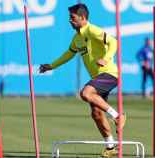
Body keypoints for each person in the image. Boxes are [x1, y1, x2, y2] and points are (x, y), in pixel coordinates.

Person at [39, 3, 126, 157]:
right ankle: (111, 146)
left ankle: (118, 116)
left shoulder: (92, 30)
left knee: (85, 93)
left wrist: (106, 58)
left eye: (72, 18)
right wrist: (51, 66)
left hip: (110, 74)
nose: (70, 21)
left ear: (83, 18)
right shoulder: (76, 38)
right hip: (97, 77)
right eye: (69, 18)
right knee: (96, 113)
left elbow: (114, 42)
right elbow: (68, 54)